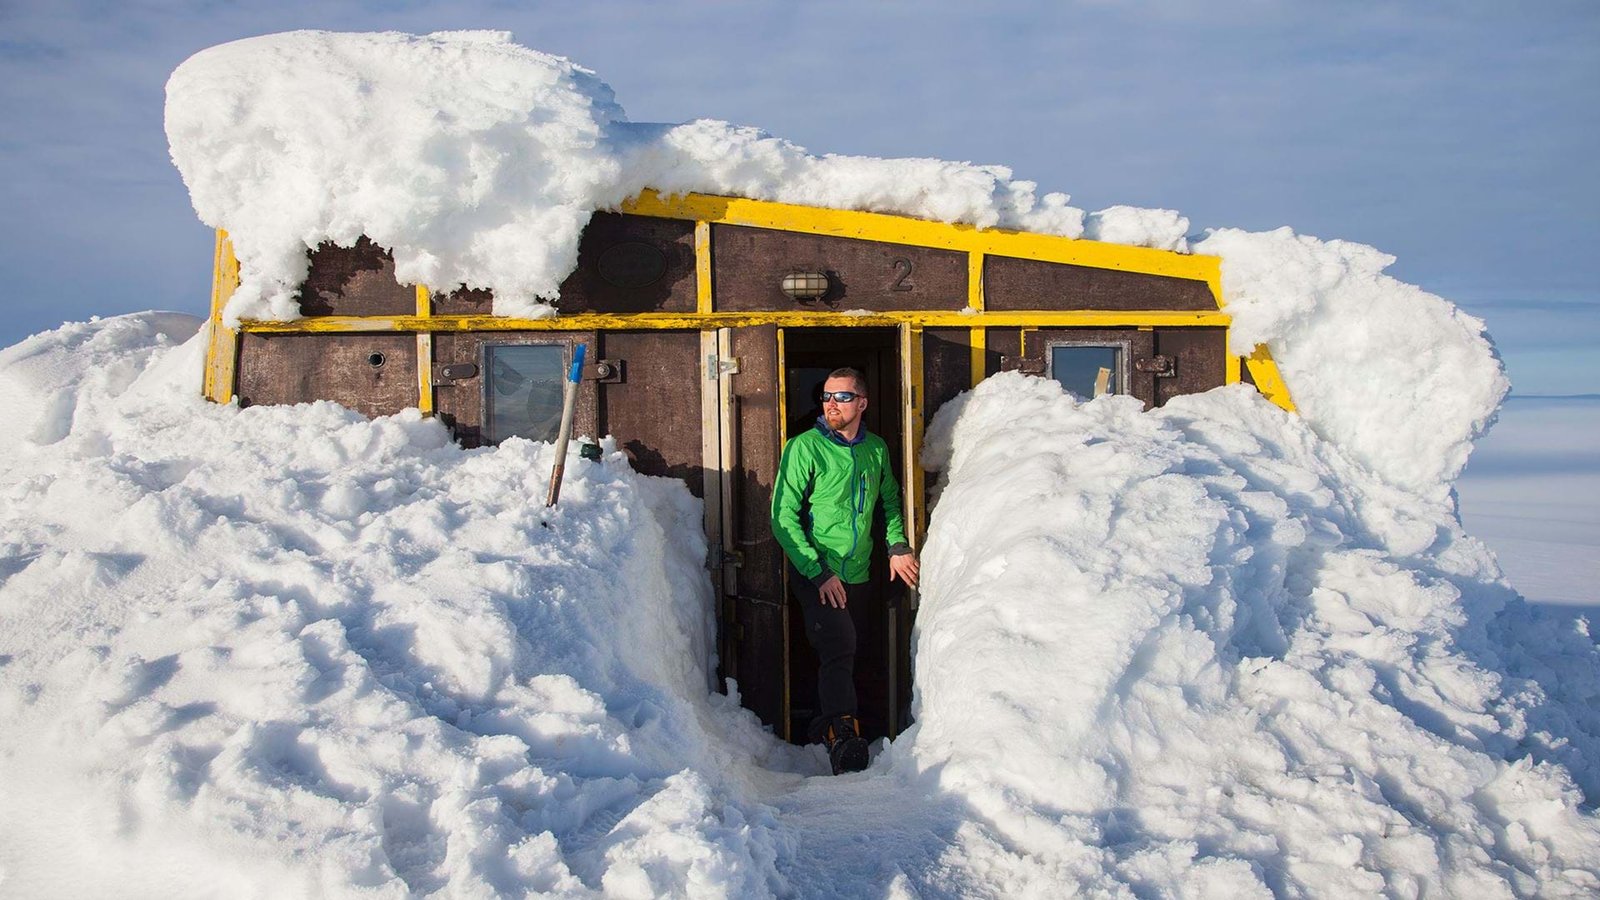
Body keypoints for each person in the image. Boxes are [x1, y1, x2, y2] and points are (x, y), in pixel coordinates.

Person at [771, 366, 920, 774]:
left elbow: (889, 501)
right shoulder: (805, 448)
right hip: (818, 571)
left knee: (858, 650)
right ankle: (841, 736)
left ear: (863, 403)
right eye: (826, 396)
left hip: (859, 572)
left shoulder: (875, 449)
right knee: (839, 646)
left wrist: (897, 545)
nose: (831, 403)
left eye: (842, 396)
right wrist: (817, 571)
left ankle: (857, 727)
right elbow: (782, 516)